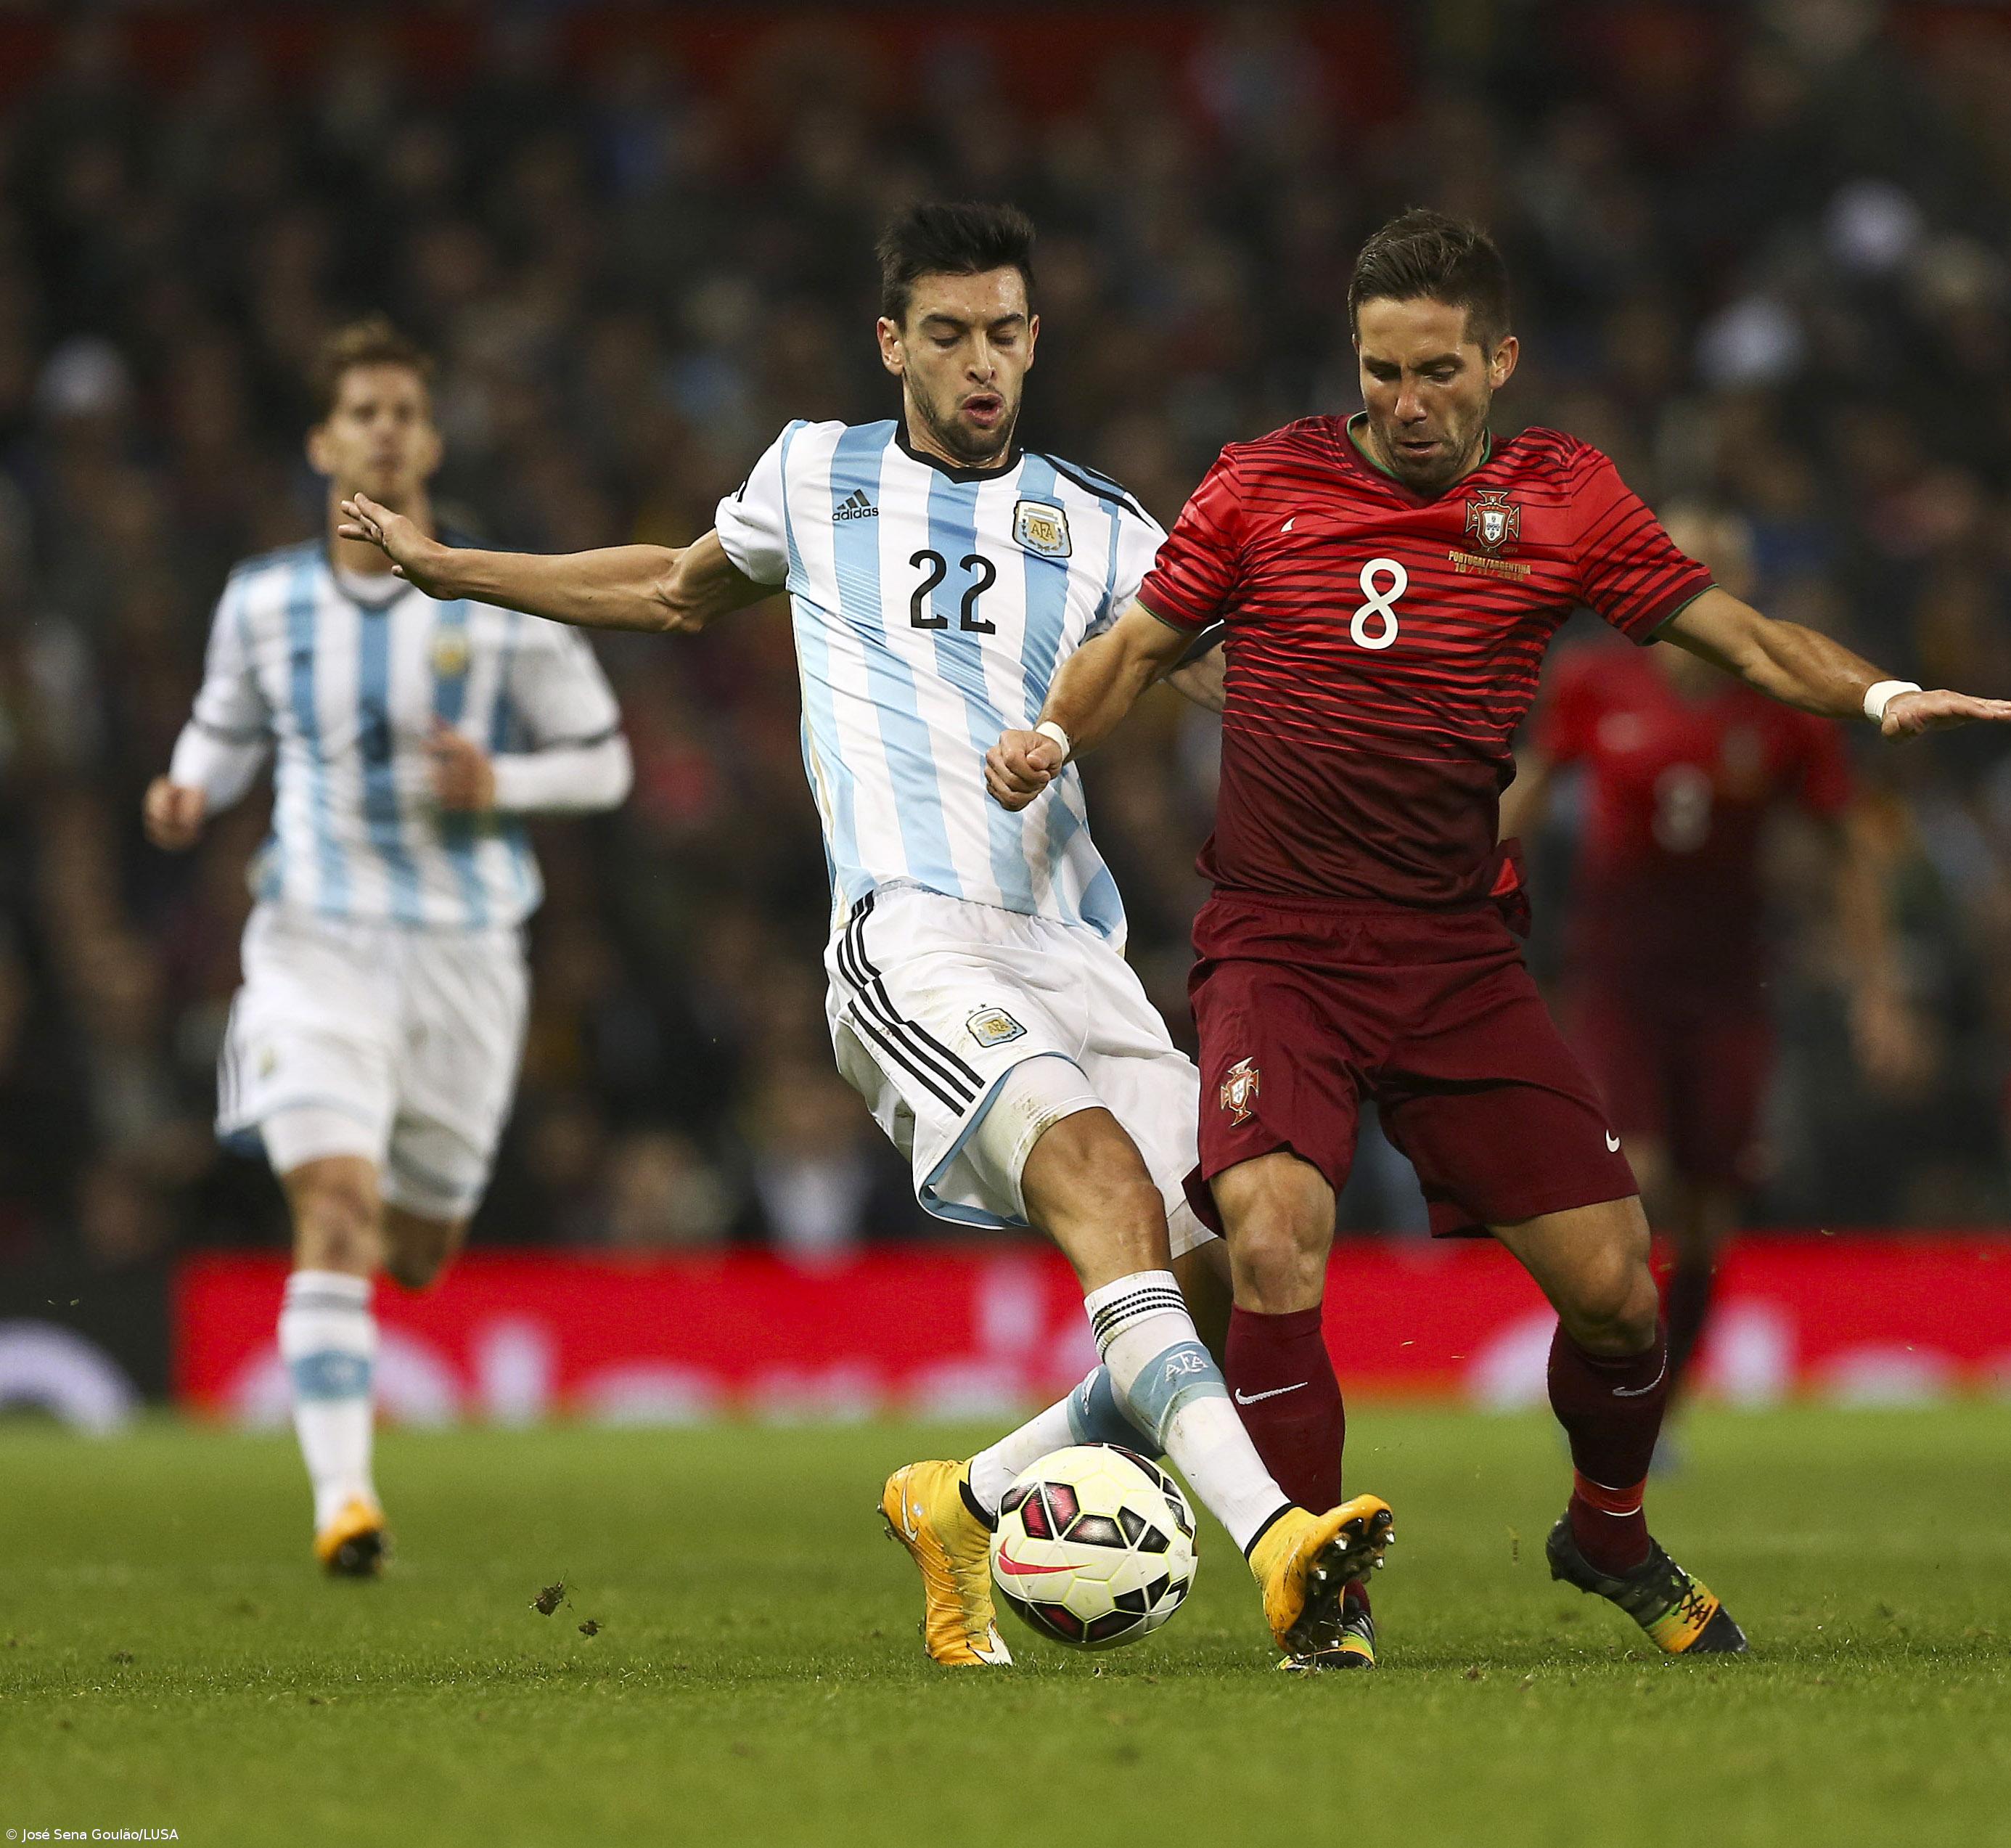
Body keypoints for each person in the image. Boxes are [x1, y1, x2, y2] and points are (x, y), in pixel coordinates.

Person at [336, 202, 1391, 1665]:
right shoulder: (812, 473)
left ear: (1036, 341)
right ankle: (1278, 1547)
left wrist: (1390, 706)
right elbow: (664, 586)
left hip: (1074, 947)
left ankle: (965, 1502)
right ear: (892, 340)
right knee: (1109, 1201)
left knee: (1228, 1260)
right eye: (947, 334)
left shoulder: (1098, 521)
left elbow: (1225, 672)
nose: (978, 365)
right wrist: (457, 568)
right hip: (913, 938)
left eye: (1004, 335)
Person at [986, 209, 2011, 1664]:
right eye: (1380, 369)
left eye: (1436, 372)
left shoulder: (1563, 499)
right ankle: (1315, 1590)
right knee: (1275, 1235)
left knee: (1616, 1294)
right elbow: (1138, 649)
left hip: (1453, 958)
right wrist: (1045, 731)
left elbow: (1736, 639)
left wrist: (1878, 694)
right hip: (1278, 945)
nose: (1406, 403)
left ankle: (1604, 1529)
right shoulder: (1258, 482)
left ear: (1499, 361)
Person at [147, 319, 634, 1575]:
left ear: (432, 438)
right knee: (338, 1205)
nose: (382, 430)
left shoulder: (499, 600)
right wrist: (189, 785)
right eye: (360, 410)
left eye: (403, 412)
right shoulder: (264, 600)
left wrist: (503, 778)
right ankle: (344, 1502)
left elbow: (608, 759)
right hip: (315, 937)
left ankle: (352, 1434)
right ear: (323, 440)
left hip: (467, 953)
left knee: (415, 1250)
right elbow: (222, 723)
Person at [1502, 507, 1899, 1405]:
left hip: (1730, 985)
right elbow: (1531, 784)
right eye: (1681, 564)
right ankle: (1604, 1371)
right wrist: (1448, 887)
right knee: (1634, 1184)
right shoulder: (1595, 680)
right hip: (1616, 977)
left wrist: (1877, 990)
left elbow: (1848, 844)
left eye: (1717, 566)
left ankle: (1661, 1401)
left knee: (1711, 1219)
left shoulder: (1783, 703)